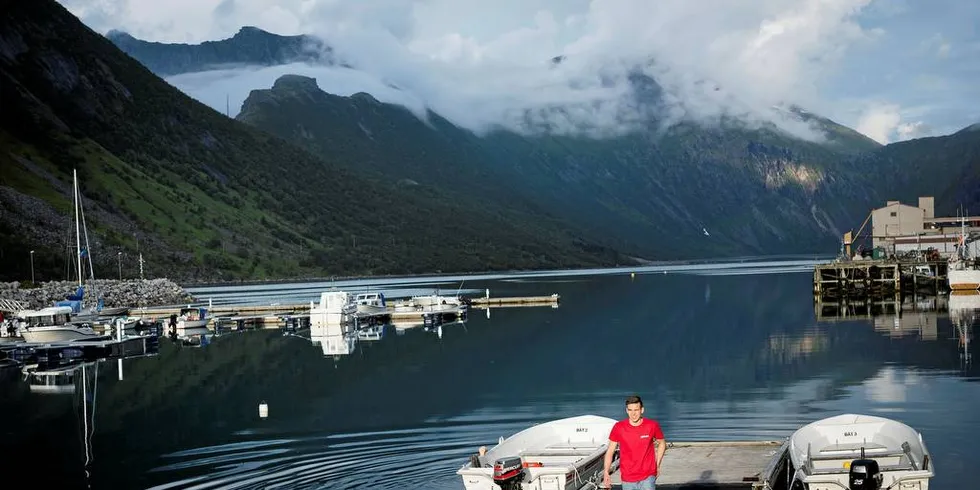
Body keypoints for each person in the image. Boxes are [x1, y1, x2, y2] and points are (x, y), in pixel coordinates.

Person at [602, 395, 666, 490]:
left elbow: (662, 443)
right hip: (628, 478)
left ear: (642, 410)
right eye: (630, 410)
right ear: (626, 411)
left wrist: (657, 464)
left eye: (636, 410)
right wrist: (606, 472)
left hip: (648, 475)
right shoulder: (619, 427)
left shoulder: (652, 426)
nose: (633, 414)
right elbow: (610, 451)